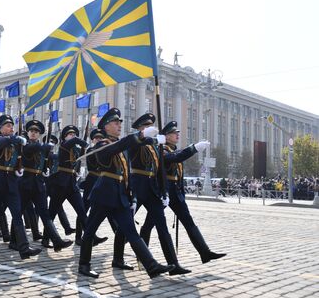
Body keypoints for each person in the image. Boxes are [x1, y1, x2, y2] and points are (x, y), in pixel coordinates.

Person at [78, 108, 174, 278]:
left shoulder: (121, 146)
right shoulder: (102, 144)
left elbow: (127, 171)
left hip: (120, 196)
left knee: (131, 232)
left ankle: (151, 266)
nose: (119, 125)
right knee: (91, 230)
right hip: (104, 194)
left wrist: (132, 196)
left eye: (120, 123)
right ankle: (84, 265)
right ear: (106, 127)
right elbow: (117, 147)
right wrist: (141, 135)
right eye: (115, 123)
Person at [139, 121, 226, 264]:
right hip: (164, 191)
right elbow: (176, 157)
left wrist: (182, 194)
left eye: (177, 133)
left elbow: (178, 173)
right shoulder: (162, 150)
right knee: (150, 223)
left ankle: (205, 252)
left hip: (176, 192)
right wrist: (194, 148)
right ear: (166, 136)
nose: (177, 135)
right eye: (174, 133)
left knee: (189, 222)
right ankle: (143, 256)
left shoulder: (173, 150)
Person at [129, 113, 190, 275]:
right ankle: (118, 258)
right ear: (140, 129)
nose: (151, 128)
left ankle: (173, 264)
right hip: (136, 186)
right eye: (147, 126)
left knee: (162, 227)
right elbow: (135, 145)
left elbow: (160, 170)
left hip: (151, 188)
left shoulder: (155, 146)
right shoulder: (134, 141)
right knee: (125, 226)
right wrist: (151, 139)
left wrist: (163, 192)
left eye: (151, 126)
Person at [0, 114, 41, 259]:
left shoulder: (15, 144)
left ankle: (24, 248)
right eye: (8, 126)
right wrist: (17, 138)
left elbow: (18, 160)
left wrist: (18, 169)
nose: (11, 128)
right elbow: (3, 143)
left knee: (17, 214)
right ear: (0, 128)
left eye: (12, 126)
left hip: (11, 183)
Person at [14, 120, 72, 252]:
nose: (34, 133)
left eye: (36, 132)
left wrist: (45, 169)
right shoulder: (24, 144)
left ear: (39, 134)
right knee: (19, 212)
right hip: (25, 183)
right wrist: (44, 147)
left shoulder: (42, 146)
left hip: (39, 183)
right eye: (32, 131)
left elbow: (45, 161)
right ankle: (13, 241)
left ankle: (57, 241)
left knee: (44, 213)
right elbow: (30, 150)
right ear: (28, 133)